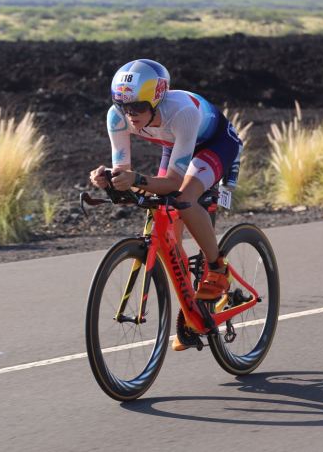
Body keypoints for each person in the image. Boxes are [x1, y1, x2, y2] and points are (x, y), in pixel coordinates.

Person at [89, 59, 243, 350]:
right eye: (123, 105)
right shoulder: (117, 117)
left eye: (137, 107)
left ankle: (217, 268)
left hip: (215, 144)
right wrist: (109, 179)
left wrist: (135, 179)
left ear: (157, 100)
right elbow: (125, 172)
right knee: (167, 226)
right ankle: (192, 312)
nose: (130, 115)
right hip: (176, 146)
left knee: (184, 200)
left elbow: (173, 182)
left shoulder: (181, 112)